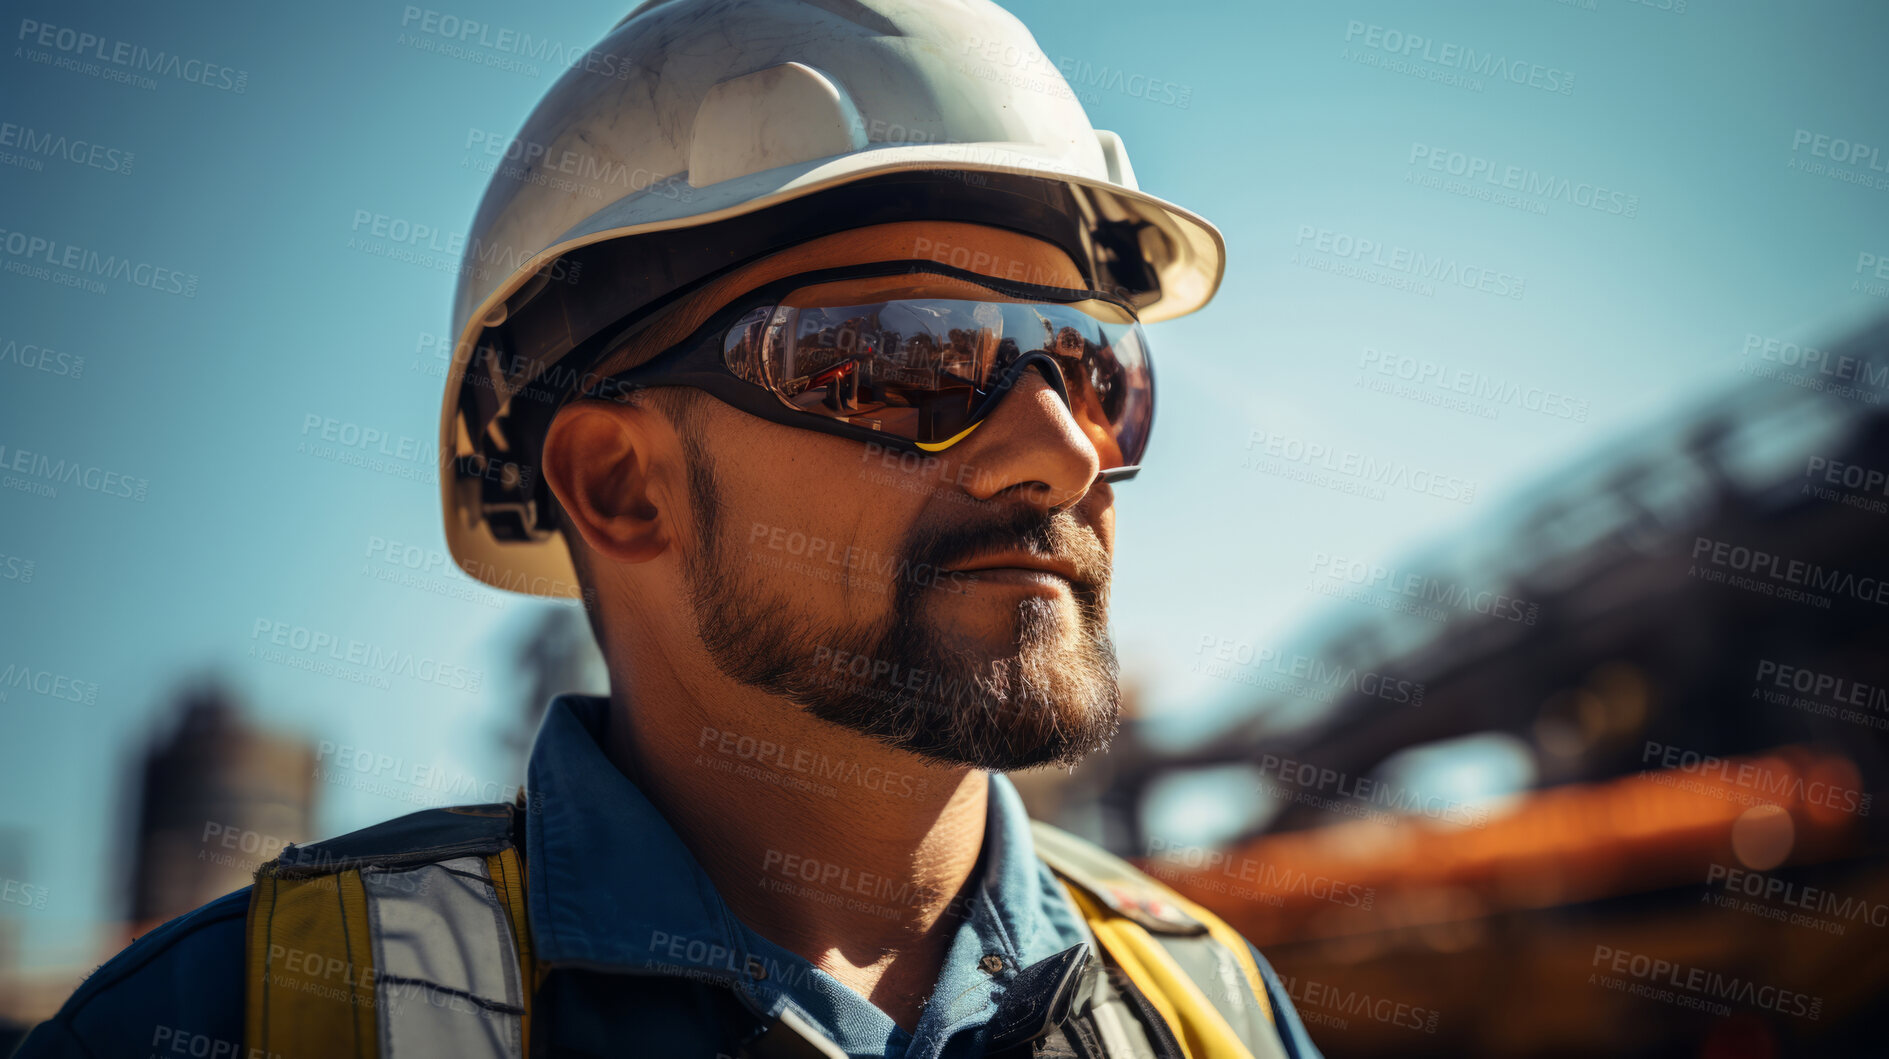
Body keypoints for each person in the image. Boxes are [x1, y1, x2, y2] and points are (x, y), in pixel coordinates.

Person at [16, 2, 1322, 1057]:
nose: (1062, 450)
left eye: (1093, 371)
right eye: (900, 359)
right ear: (617, 485)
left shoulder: (1212, 1012)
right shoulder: (232, 1027)